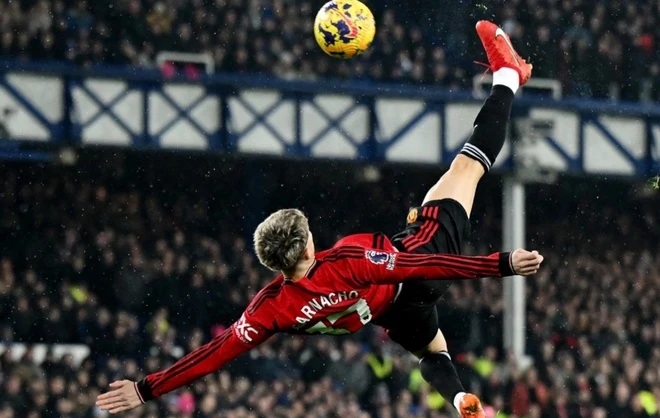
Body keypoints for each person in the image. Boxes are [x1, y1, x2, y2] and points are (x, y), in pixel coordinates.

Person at [96, 20, 538, 418]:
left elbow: (214, 353)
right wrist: (501, 264)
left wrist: (146, 388)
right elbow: (421, 265)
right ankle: (508, 76)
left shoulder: (271, 308)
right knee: (468, 165)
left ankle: (459, 399)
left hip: (393, 313)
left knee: (431, 352)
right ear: (308, 244)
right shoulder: (345, 261)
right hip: (418, 263)